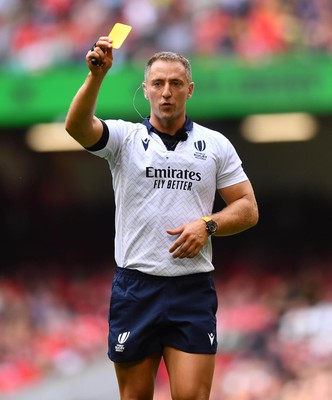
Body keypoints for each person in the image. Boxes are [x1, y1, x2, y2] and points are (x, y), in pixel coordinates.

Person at [65, 35, 258, 400]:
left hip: (192, 289)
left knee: (191, 396)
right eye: (158, 84)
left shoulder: (215, 145)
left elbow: (248, 207)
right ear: (146, 89)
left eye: (175, 84)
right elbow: (76, 127)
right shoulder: (125, 138)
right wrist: (96, 76)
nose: (166, 91)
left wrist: (208, 225)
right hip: (136, 289)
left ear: (190, 90)